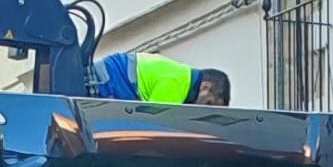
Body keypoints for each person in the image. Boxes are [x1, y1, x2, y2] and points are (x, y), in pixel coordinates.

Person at [91, 52, 230, 105]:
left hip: (110, 75)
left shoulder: (182, 75)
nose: (206, 109)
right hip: (110, 82)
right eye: (209, 104)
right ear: (205, 87)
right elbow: (152, 123)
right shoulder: (178, 85)